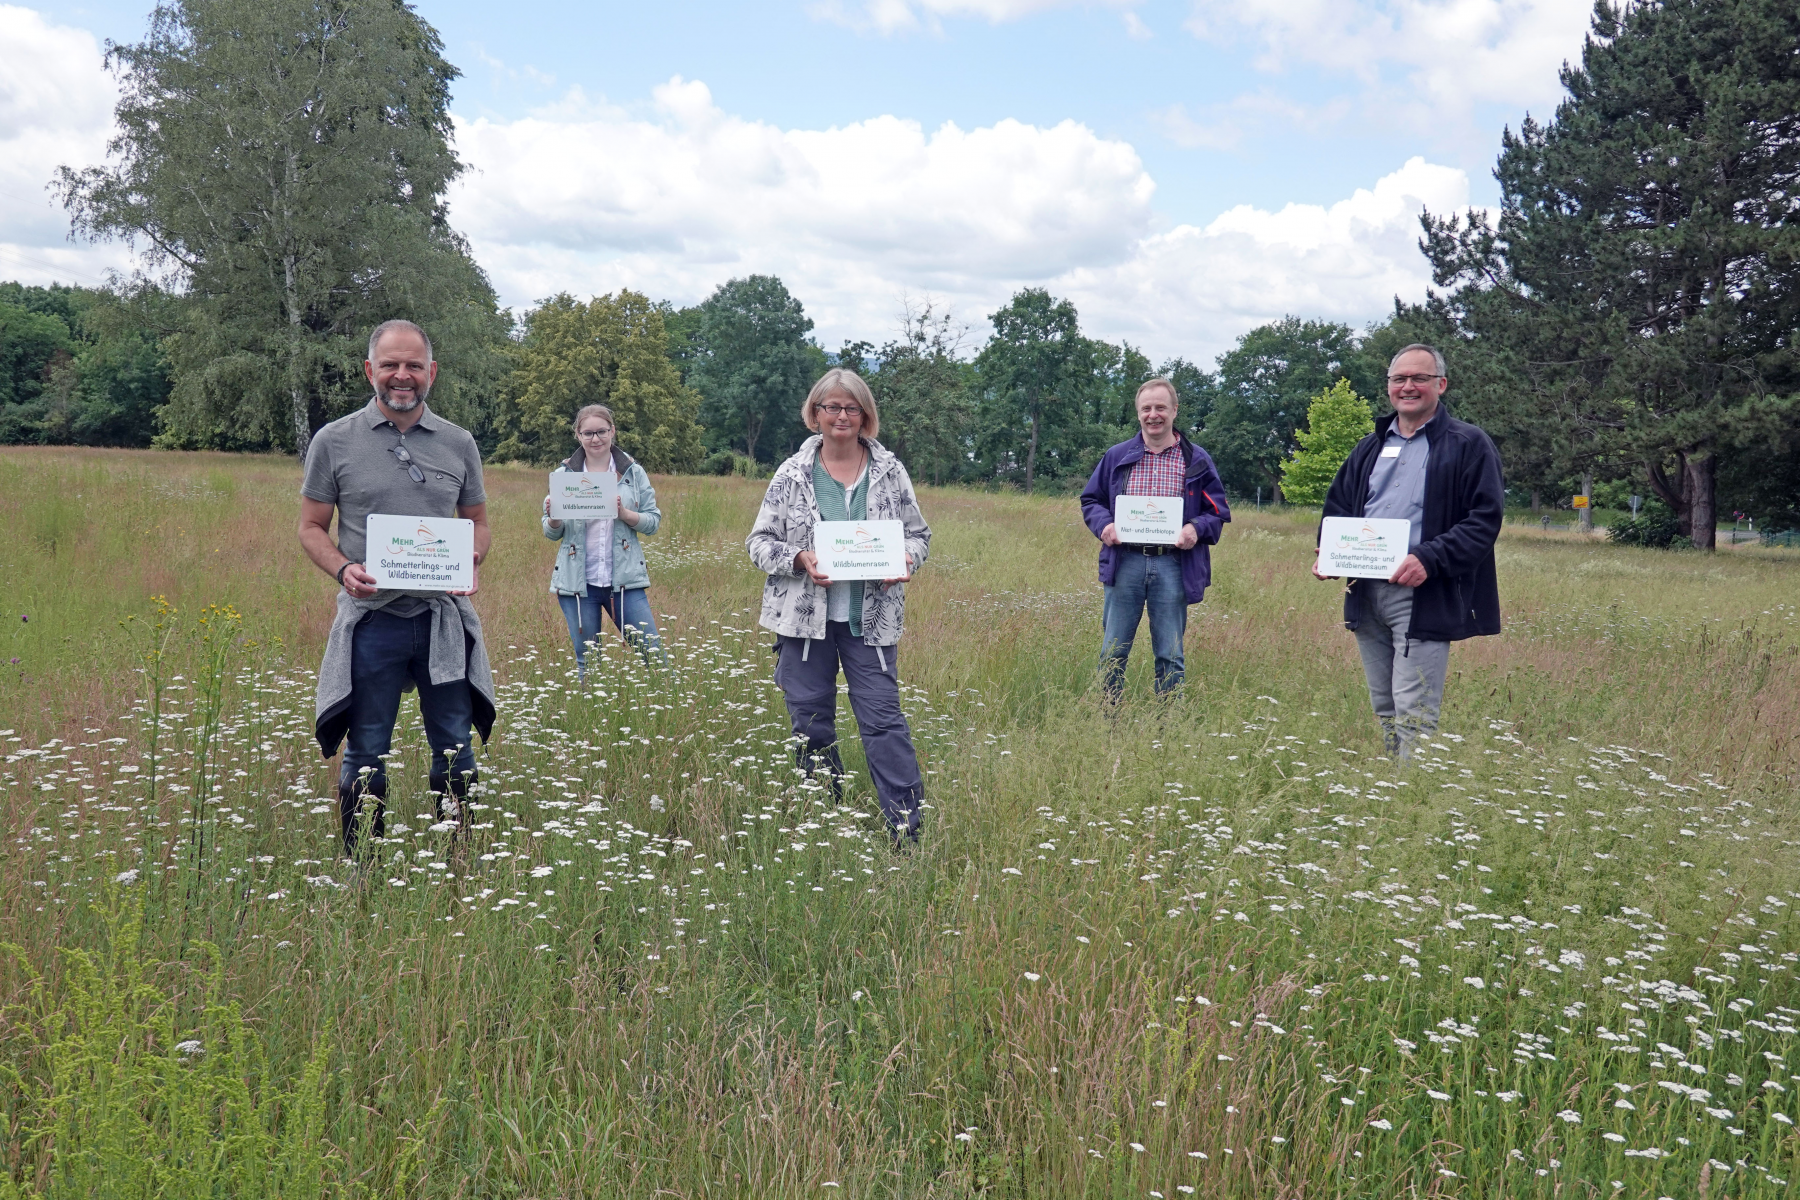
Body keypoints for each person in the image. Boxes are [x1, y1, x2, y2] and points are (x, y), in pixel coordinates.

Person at [299, 319, 495, 857]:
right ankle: (362, 865)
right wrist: (344, 570)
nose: (401, 376)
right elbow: (311, 528)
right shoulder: (333, 441)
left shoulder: (459, 443)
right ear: (370, 370)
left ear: (431, 372)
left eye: (413, 365)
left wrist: (470, 558)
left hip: (441, 622)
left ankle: (458, 861)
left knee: (455, 748)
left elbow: (477, 521)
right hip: (372, 622)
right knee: (365, 752)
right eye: (390, 365)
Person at [745, 368, 931, 844]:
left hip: (872, 622)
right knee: (809, 723)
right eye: (832, 407)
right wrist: (798, 558)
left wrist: (906, 558)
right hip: (804, 625)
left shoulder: (890, 471)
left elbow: (918, 535)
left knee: (883, 722)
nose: (841, 416)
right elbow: (759, 542)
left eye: (851, 408)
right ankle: (827, 818)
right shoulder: (791, 474)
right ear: (816, 414)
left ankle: (906, 833)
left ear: (865, 415)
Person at [1313, 343, 1503, 759]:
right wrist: (1328, 551)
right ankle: (1393, 790)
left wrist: (1429, 559)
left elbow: (1484, 519)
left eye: (1419, 378)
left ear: (1441, 384)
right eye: (1399, 379)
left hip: (1424, 594)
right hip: (1366, 592)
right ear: (1389, 386)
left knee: (1415, 710)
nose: (1408, 387)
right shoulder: (1370, 446)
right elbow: (1339, 506)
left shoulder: (1468, 444)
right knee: (1385, 705)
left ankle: (1411, 796)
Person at [1080, 377, 1231, 699]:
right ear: (1138, 414)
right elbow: (1091, 500)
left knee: (1170, 655)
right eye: (1146, 408)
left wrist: (1195, 529)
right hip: (1125, 563)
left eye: (1161, 407)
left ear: (1174, 411)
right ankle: (1107, 720)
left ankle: (1167, 726)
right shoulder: (1116, 456)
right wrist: (1104, 526)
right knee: (1113, 651)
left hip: (1173, 565)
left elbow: (1217, 511)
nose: (1153, 415)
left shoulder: (1197, 460)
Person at [542, 404, 665, 677]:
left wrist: (624, 513)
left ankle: (669, 711)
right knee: (588, 661)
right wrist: (554, 518)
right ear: (578, 435)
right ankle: (592, 715)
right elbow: (551, 532)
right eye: (588, 433)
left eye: (601, 432)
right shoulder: (564, 476)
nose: (595, 439)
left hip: (624, 582)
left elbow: (653, 522)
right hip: (578, 584)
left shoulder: (633, 473)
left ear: (613, 432)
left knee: (655, 657)